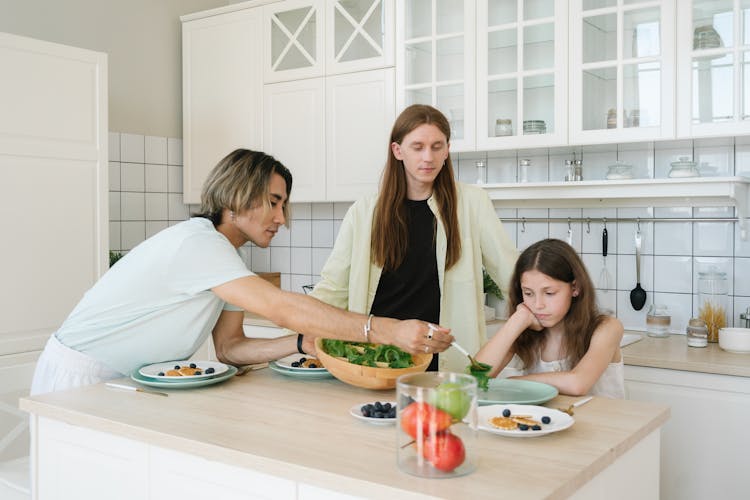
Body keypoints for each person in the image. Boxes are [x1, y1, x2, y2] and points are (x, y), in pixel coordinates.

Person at [30, 149, 453, 395]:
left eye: (283, 204)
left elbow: (231, 348)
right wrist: (383, 330)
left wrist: (305, 342)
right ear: (236, 196)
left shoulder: (224, 258)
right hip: (81, 376)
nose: (281, 218)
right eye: (273, 201)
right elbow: (279, 306)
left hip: (127, 380)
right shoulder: (199, 244)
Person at [296, 104, 518, 372]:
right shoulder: (364, 212)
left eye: (437, 146)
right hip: (375, 361)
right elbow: (334, 289)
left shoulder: (473, 204)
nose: (428, 157)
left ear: (447, 150)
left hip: (445, 364)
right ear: (397, 150)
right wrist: (292, 318)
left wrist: (542, 306)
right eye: (418, 147)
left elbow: (510, 272)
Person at [474, 239, 625, 398]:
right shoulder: (525, 329)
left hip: (605, 422)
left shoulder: (607, 327)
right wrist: (518, 319)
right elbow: (475, 378)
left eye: (549, 293)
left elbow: (578, 383)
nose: (538, 305)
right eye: (528, 293)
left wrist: (515, 381)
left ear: (575, 287)